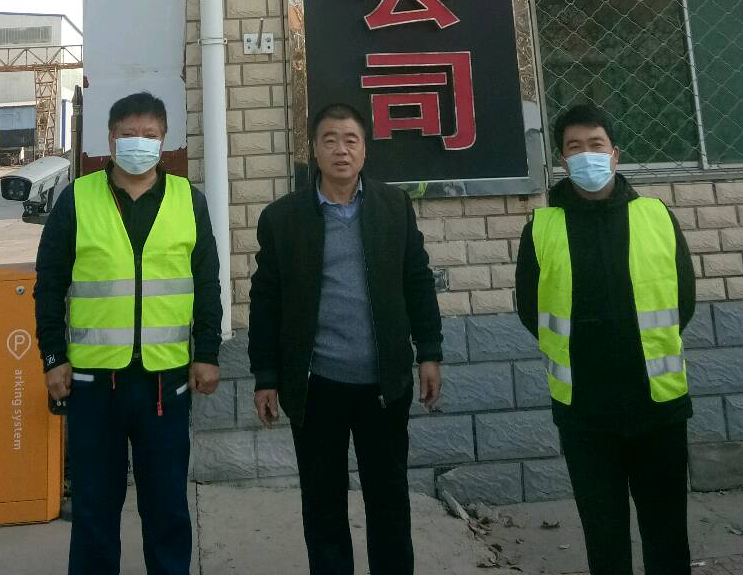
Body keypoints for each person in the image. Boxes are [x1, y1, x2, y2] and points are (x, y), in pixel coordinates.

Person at [248, 102, 443, 575]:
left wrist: (429, 352)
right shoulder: (282, 219)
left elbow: (417, 281)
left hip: (383, 386)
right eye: (330, 140)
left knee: (389, 500)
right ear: (314, 150)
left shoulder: (393, 208)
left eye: (351, 140)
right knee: (323, 505)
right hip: (317, 387)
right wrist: (266, 375)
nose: (341, 150)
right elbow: (266, 302)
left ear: (364, 149)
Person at [34, 91, 222, 575]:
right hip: (95, 386)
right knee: (95, 511)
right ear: (110, 139)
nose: (139, 143)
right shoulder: (77, 199)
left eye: (149, 135)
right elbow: (49, 283)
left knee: (167, 509)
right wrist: (52, 356)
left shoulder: (188, 200)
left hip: (165, 384)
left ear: (164, 141)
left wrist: (208, 352)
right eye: (129, 134)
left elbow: (206, 283)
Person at [515, 101, 696, 575]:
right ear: (562, 159)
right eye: (574, 147)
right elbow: (530, 311)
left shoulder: (656, 216)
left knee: (667, 537)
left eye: (596, 144)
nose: (586, 155)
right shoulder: (541, 228)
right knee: (605, 539)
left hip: (658, 406)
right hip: (585, 413)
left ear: (615, 154)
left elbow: (684, 301)